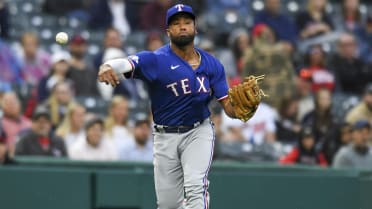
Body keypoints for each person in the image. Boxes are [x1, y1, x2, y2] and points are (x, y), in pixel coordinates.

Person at [97, 4, 259, 209]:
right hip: (165, 136)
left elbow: (227, 105)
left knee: (196, 188)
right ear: (168, 31)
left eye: (187, 22)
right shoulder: (156, 59)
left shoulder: (212, 64)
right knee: (168, 205)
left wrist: (240, 111)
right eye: (176, 23)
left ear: (195, 28)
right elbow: (127, 63)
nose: (182, 27)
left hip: (198, 131)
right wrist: (108, 66)